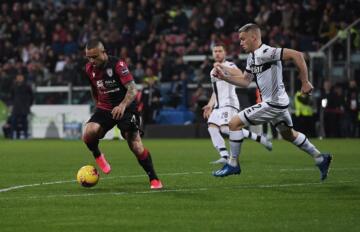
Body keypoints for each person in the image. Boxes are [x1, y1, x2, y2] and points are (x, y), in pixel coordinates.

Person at [212, 23, 332, 181]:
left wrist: (305, 82)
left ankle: (233, 163)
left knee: (234, 123)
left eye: (242, 39)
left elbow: (297, 55)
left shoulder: (266, 52)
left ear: (254, 37)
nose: (240, 42)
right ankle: (320, 158)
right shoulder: (251, 58)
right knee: (289, 135)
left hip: (273, 103)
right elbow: (245, 81)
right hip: (278, 103)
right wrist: (225, 77)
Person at [83, 40, 163, 189]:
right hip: (105, 108)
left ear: (103, 52)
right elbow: (94, 88)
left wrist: (122, 105)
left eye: (94, 57)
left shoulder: (117, 65)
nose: (91, 61)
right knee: (88, 132)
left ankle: (154, 178)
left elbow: (133, 89)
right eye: (88, 57)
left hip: (126, 107)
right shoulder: (89, 68)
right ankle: (98, 155)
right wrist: (98, 106)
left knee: (134, 144)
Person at [202, 44, 272, 164]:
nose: (217, 53)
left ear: (224, 53)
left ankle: (260, 138)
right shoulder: (212, 71)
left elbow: (239, 73)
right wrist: (210, 105)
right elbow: (216, 91)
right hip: (218, 105)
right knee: (212, 127)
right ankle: (224, 155)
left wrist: (221, 66)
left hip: (229, 103)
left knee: (225, 128)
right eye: (215, 51)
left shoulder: (229, 65)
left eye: (220, 51)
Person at [10, 74, 33, 139]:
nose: (19, 79)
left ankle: (25, 135)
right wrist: (12, 104)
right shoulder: (14, 86)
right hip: (16, 107)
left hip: (24, 107)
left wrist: (29, 104)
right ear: (16, 79)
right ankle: (12, 136)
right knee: (13, 122)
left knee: (24, 122)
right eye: (18, 78)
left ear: (23, 78)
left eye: (21, 77)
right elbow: (11, 96)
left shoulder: (27, 86)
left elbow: (31, 96)